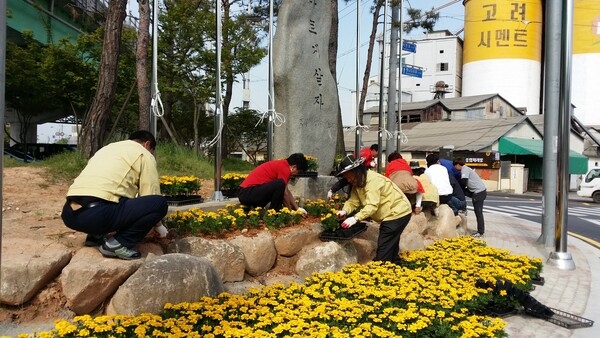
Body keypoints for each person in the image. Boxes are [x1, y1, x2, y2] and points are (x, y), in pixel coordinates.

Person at [61, 130, 169, 260]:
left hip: (70, 215)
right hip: (98, 215)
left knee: (112, 195)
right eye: (152, 150)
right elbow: (150, 193)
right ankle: (117, 244)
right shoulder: (143, 153)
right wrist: (159, 226)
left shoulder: (107, 149)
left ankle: (95, 235)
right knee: (159, 203)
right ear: (147, 144)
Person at [335, 155, 412, 265]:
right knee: (391, 243)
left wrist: (355, 218)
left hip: (398, 212)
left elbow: (372, 206)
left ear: (357, 171)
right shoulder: (358, 183)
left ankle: (380, 270)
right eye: (346, 178)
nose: (349, 180)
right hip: (391, 213)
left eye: (349, 176)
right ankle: (395, 264)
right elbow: (353, 201)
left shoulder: (373, 181)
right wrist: (345, 211)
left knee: (385, 244)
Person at [238, 153, 308, 216]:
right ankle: (273, 215)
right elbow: (284, 193)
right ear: (294, 167)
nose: (297, 175)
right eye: (298, 172)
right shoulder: (284, 168)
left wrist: (297, 208)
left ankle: (273, 214)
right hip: (247, 193)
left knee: (280, 186)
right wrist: (290, 211)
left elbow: (286, 190)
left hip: (248, 193)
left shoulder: (282, 165)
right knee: (280, 184)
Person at [453, 158, 487, 237]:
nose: (455, 168)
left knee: (478, 212)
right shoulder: (466, 169)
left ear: (458, 165)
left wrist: (457, 188)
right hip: (476, 191)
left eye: (455, 166)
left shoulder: (465, 170)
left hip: (479, 192)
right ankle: (463, 208)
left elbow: (463, 182)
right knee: (463, 192)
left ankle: (480, 231)